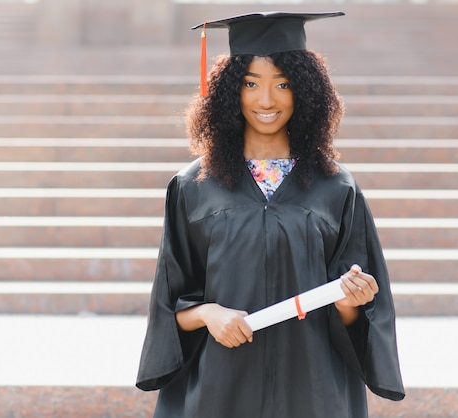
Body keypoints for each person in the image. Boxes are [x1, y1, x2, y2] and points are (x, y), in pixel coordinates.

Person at [136, 11, 405, 417]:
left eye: (283, 83)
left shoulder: (337, 188)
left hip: (311, 387)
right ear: (229, 91)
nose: (266, 100)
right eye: (250, 84)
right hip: (219, 386)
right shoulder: (193, 187)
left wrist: (353, 298)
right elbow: (170, 303)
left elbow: (358, 316)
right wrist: (210, 314)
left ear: (306, 91)